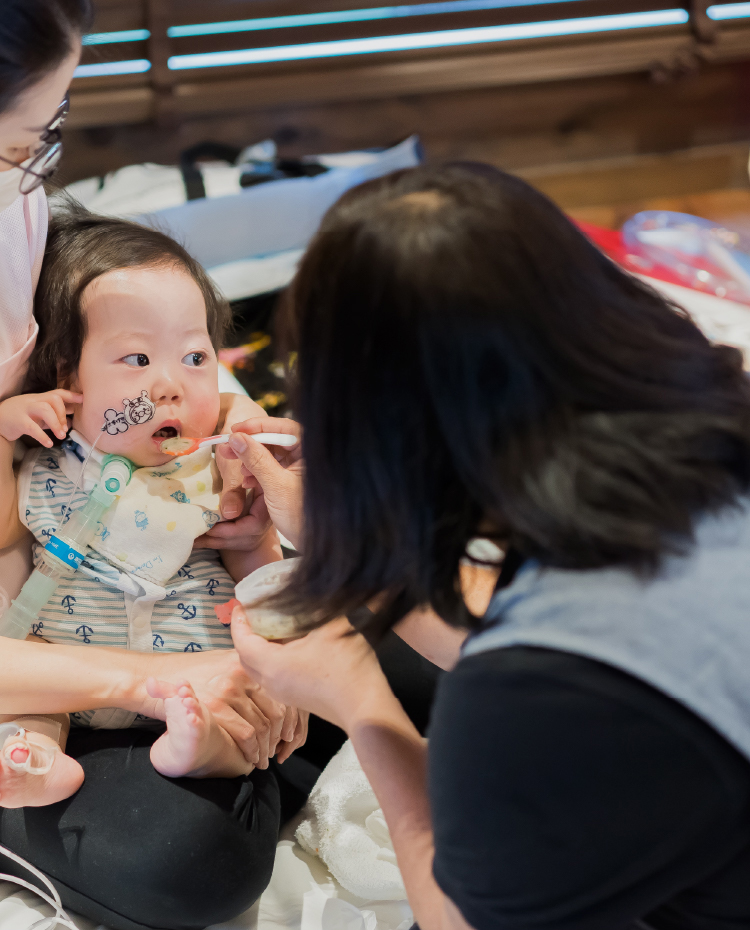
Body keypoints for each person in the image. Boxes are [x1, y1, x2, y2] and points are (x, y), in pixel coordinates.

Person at [224, 164, 750, 930]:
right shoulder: (705, 441)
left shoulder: (532, 696)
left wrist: (359, 700)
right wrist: (351, 540)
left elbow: (461, 916)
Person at [0, 5, 308, 926]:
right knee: (183, 863)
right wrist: (139, 683)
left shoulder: (24, 212)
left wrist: (242, 454)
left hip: (182, 648)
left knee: (435, 671)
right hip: (47, 649)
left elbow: (141, 311)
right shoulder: (41, 472)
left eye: (47, 136)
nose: (33, 167)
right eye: (28, 134)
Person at [0, 203, 289, 810]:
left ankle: (196, 747)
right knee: (26, 715)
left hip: (198, 671)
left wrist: (259, 542)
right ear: (64, 375)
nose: (170, 386)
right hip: (61, 677)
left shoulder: (220, 470)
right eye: (136, 360)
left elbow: (262, 578)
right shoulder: (44, 466)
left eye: (194, 358)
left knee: (238, 713)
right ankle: (36, 762)